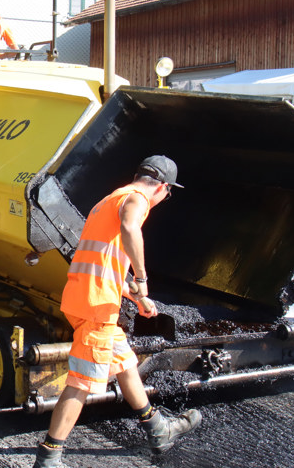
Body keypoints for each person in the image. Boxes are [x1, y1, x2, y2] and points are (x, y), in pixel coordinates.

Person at [32, 155, 201, 467]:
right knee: (81, 382)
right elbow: (130, 228)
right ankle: (48, 457)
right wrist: (142, 279)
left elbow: (102, 262)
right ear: (162, 187)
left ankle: (157, 429)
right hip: (96, 306)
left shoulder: (108, 200)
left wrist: (136, 297)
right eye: (169, 192)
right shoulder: (136, 199)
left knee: (124, 363)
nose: (166, 197)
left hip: (87, 297)